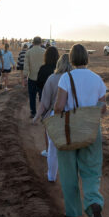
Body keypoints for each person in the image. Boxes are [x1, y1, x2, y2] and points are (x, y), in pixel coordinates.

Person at [53, 44, 107, 217]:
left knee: (69, 172)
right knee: (91, 169)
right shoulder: (97, 79)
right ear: (87, 58)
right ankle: (93, 201)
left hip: (69, 129)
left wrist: (57, 113)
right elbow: (103, 108)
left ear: (71, 59)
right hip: (91, 129)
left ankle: (73, 212)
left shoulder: (66, 78)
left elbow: (59, 106)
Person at [32, 53, 71, 182]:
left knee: (53, 149)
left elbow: (44, 103)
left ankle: (51, 176)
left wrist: (37, 117)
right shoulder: (73, 78)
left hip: (55, 117)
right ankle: (69, 178)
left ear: (59, 64)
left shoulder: (52, 79)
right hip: (72, 117)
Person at [35, 46, 59, 154]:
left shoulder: (43, 68)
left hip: (45, 100)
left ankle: (48, 150)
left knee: (47, 127)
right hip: (58, 101)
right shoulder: (59, 71)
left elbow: (38, 83)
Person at [23, 36, 46, 118]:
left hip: (32, 77)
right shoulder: (44, 51)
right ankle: (42, 112)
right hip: (42, 78)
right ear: (41, 43)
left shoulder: (28, 52)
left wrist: (25, 77)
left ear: (33, 42)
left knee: (32, 96)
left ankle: (33, 112)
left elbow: (26, 65)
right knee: (42, 96)